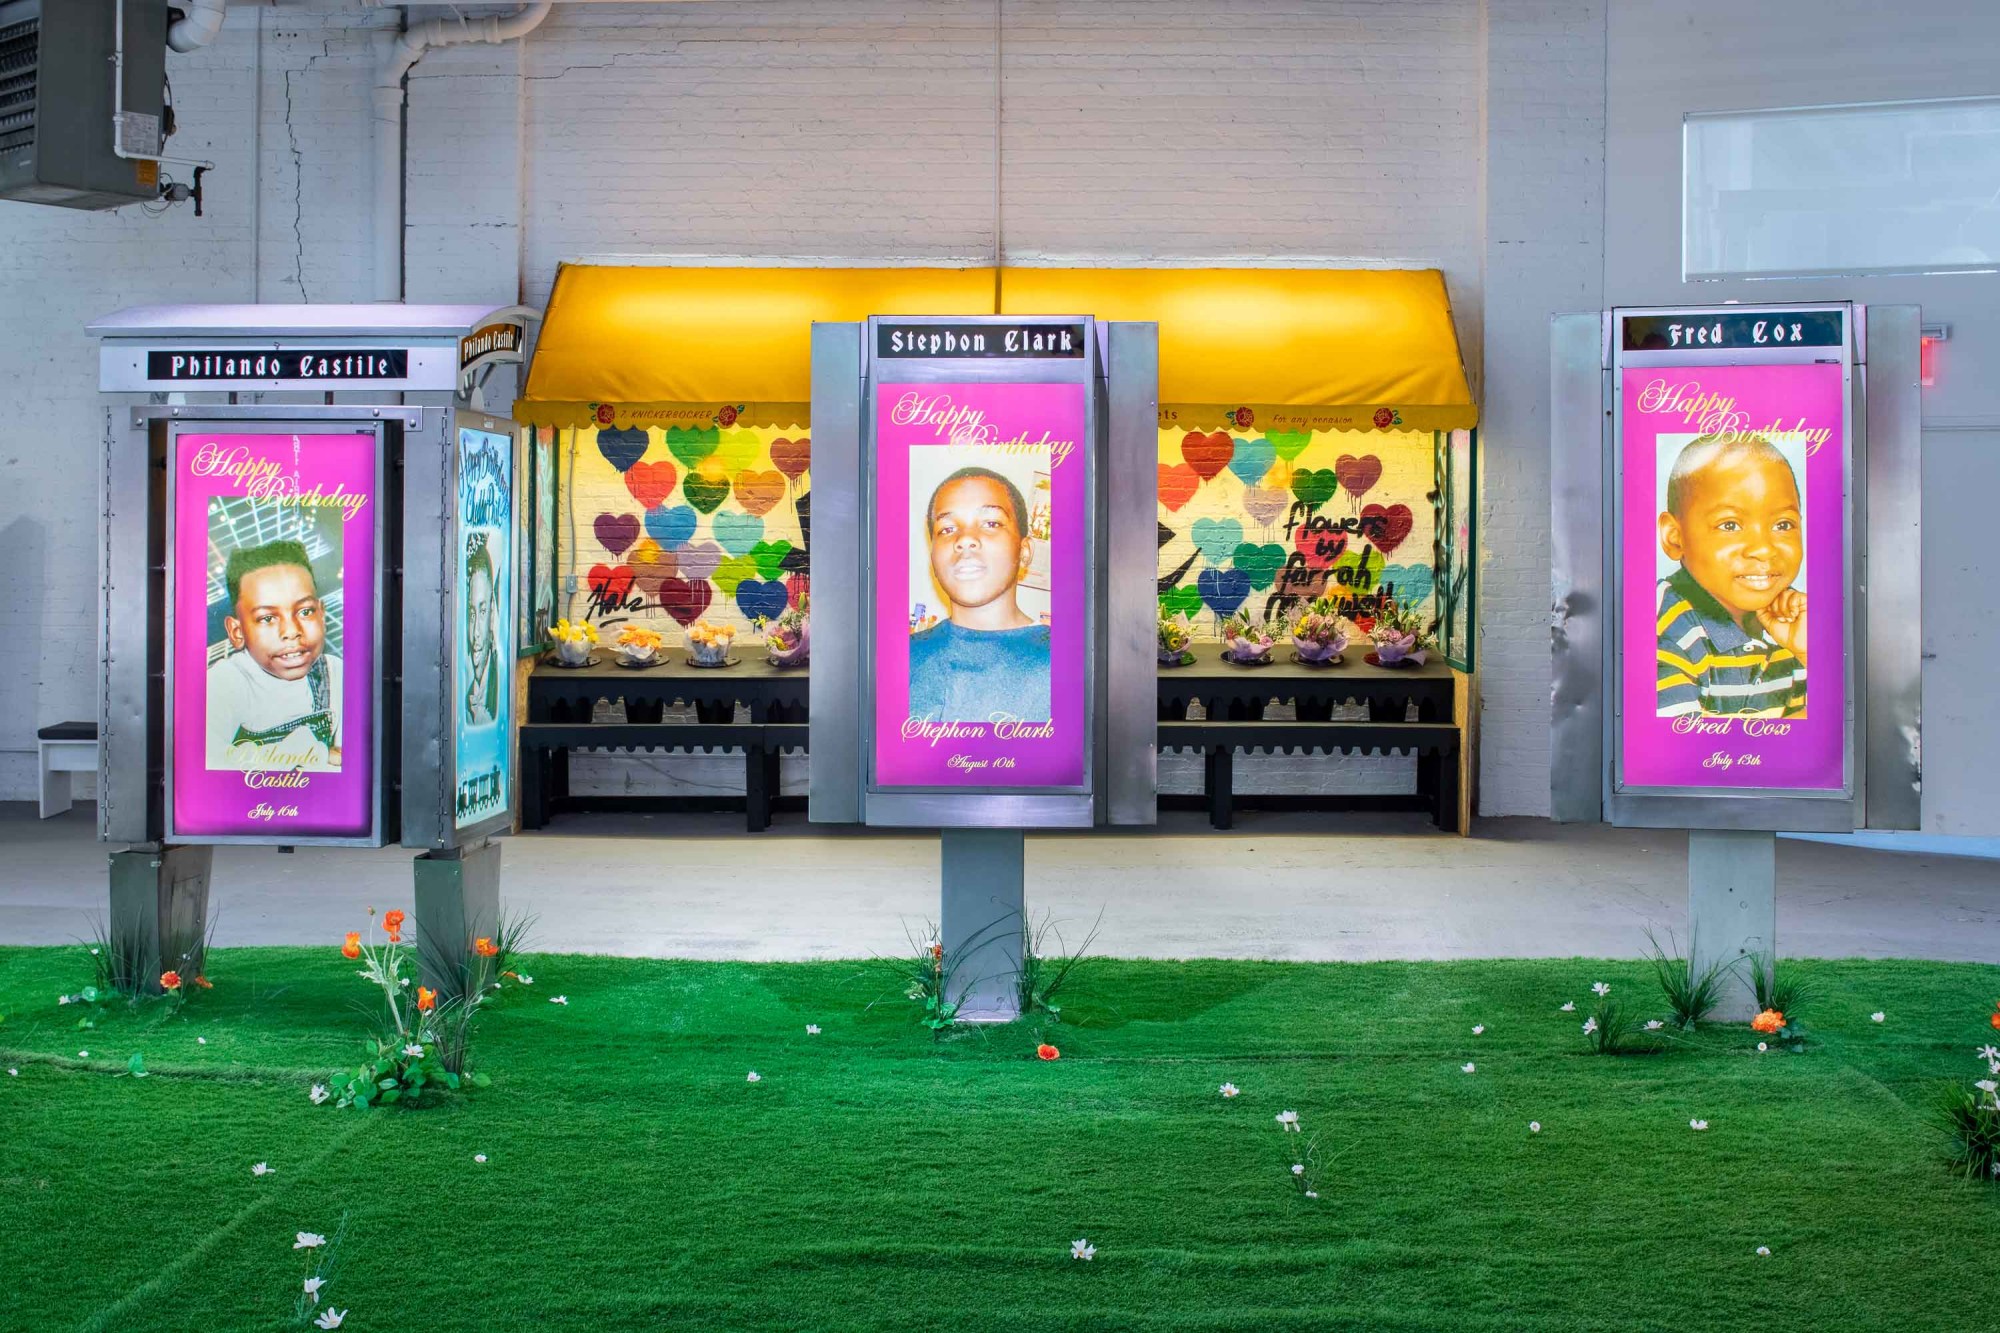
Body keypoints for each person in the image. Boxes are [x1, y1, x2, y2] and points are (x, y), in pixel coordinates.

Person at [1654, 433, 1807, 719]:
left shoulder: (1795, 624)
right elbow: (1684, 748)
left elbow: (1822, 741)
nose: (1763, 549)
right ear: (1675, 538)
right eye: (1730, 525)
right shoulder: (1662, 624)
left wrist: (1808, 654)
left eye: (1783, 524)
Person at [907, 465, 1051, 723]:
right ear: (933, 557)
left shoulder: (1071, 663)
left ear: (1025, 551)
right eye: (947, 529)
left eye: (991, 523)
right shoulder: (896, 661)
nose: (965, 539)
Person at [205, 539, 343, 770]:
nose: (291, 632)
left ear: (322, 615)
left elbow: (349, 762)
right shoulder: (225, 681)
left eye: (305, 611)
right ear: (237, 632)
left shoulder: (335, 672)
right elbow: (208, 761)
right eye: (267, 618)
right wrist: (311, 753)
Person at [463, 533, 500, 727]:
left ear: (492, 614)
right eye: (471, 615)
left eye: (483, 611)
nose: (475, 632)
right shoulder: (466, 694)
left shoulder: (500, 690)